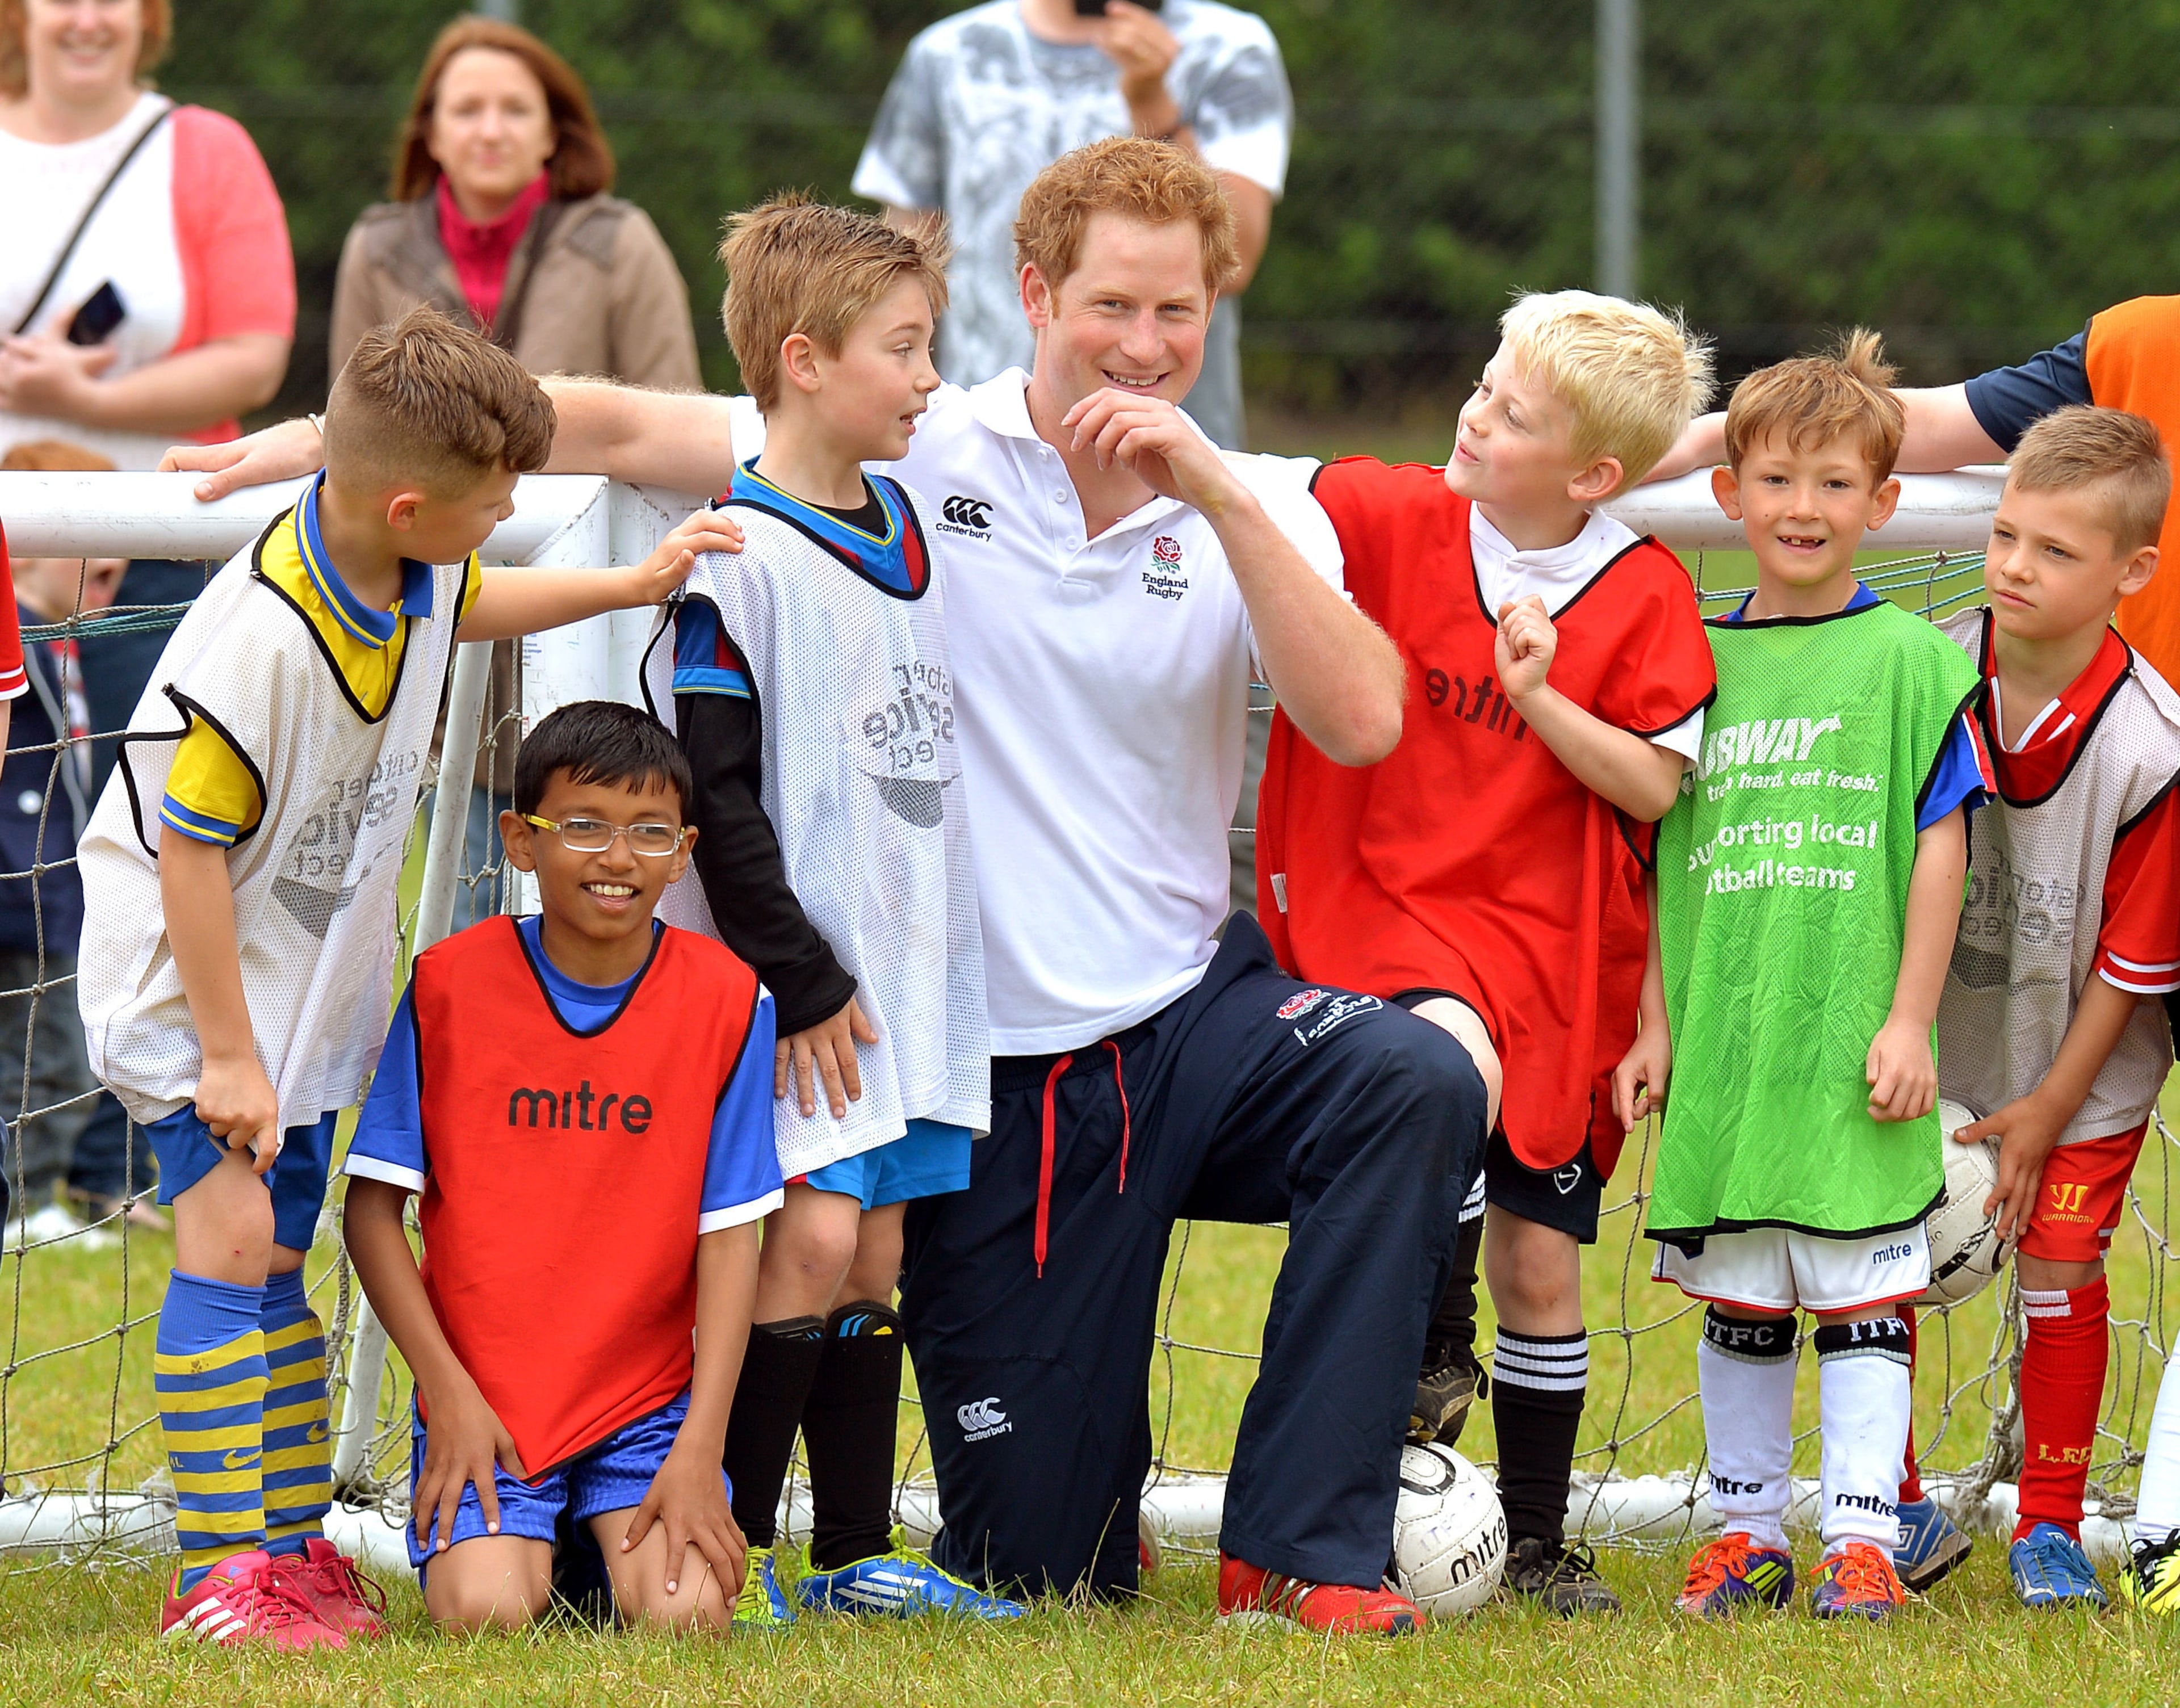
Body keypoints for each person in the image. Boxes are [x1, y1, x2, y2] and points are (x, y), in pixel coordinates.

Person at [171, 138, 1487, 1635]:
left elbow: (1366, 718)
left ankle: (1305, 1546)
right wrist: (336, 450)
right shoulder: (911, 443)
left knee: (1412, 1074)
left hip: (1195, 1015)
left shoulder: (1241, 498)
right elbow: (608, 417)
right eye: (1113, 306)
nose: (1146, 346)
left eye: (1179, 315)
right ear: (1035, 294)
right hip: (984, 1065)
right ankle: (720, 1540)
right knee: (1049, 1559)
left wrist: (1217, 490)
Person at [78, 307, 737, 1649]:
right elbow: (188, 854)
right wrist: (222, 1053)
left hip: (300, 995)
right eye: (496, 494)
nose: (510, 511)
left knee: (280, 1263)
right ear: (405, 499)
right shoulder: (257, 640)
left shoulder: (414, 565)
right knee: (227, 1241)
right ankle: (219, 1575)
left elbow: (480, 596)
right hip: (194, 998)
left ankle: (286, 1543)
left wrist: (625, 584)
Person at [1254, 289, 1718, 1615]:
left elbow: (1649, 788)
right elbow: (1246, 494)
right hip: (1387, 924)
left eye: (1510, 411)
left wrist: (1535, 696)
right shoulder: (1388, 516)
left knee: (1543, 1265)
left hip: (1560, 967)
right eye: (1481, 384)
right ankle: (1403, 1420)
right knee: (1424, 1098)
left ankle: (1530, 1539)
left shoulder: (1639, 591)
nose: (1473, 411)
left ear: (1593, 474)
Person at [657, 197, 1020, 1627]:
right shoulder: (734, 558)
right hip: (796, 990)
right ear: (803, 359)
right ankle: (727, 1543)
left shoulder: (906, 519)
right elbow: (715, 799)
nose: (930, 377)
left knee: (874, 1248)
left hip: (911, 975)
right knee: (802, 1238)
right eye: (905, 347)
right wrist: (797, 975)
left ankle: (855, 1552)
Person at [1620, 333, 1988, 1622]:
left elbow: (1936, 850)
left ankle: (1859, 1537)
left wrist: (1905, 1018)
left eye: (1834, 485)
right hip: (1726, 1032)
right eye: (1775, 480)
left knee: (1859, 1297)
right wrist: (1652, 1021)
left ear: (1884, 507)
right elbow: (1652, 848)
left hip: (1848, 1039)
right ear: (1726, 495)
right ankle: (1739, 1530)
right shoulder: (1689, 662)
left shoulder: (1910, 662)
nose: (1802, 508)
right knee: (1738, 1291)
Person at [342, 700, 779, 1634]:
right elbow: (372, 1213)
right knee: (488, 1610)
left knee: (686, 1615)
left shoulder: (730, 998)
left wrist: (702, 1444)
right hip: (490, 1393)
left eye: (648, 832)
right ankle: (552, 1537)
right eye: (583, 825)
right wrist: (448, 1394)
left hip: (645, 1398)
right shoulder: (450, 982)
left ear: (685, 848)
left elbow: (732, 1234)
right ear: (521, 838)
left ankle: (593, 1527)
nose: (617, 858)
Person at [332, 14, 704, 930]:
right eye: (466, 108)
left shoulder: (621, 241)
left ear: (553, 131)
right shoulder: (377, 247)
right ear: (430, 131)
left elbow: (673, 404)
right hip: (435, 599)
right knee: (449, 893)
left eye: (513, 108)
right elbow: (357, 425)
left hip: (592, 601)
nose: (489, 127)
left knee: (585, 874)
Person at [1923, 406, 2180, 1609]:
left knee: (2064, 1264)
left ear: (2134, 571)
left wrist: (2045, 1109)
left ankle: (2052, 1524)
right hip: (1928, 1044)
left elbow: (2133, 968)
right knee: (1887, 1260)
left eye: (2056, 552)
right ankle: (1888, 1501)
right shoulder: (1923, 676)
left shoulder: (2153, 745)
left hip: (2081, 1064)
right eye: (2006, 535)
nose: (2015, 567)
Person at [853, 0, 1290, 453]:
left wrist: (1153, 105)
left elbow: (1233, 262)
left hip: (1175, 458)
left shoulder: (1229, 48)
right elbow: (902, 273)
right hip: (980, 448)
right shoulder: (947, 54)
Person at [0, 0, 293, 469]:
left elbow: (254, 363)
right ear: (19, 12)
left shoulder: (214, 152)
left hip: (162, 525)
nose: (88, 20)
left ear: (147, 14)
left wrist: (85, 401)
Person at [0, 440, 120, 1247]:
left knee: (61, 1058)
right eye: (94, 541)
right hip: (20, 893)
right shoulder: (26, 639)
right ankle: (25, 1201)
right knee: (36, 1060)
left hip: (59, 894)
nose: (115, 565)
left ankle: (38, 1192)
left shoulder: (71, 642)